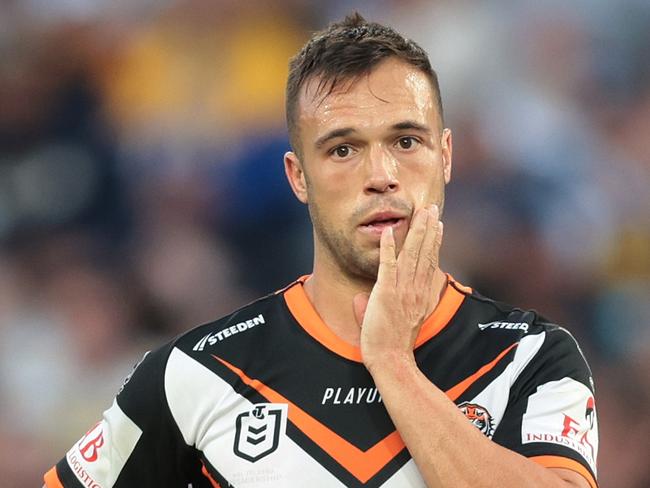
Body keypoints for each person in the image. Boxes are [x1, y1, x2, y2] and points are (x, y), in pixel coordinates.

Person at [43, 13, 599, 488]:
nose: (381, 175)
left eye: (406, 141)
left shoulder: (533, 358)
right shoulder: (198, 373)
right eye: (342, 150)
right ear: (298, 176)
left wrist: (394, 367)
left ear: (446, 156)